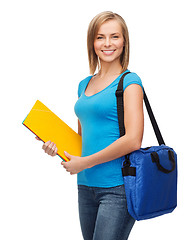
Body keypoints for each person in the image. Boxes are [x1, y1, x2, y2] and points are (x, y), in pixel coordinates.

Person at [37, 11, 144, 240]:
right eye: (100, 37)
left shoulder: (130, 82)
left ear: (124, 41)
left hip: (117, 188)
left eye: (114, 36)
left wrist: (84, 162)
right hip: (85, 186)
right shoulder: (84, 84)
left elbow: (133, 139)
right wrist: (53, 142)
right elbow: (82, 139)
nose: (107, 43)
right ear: (92, 42)